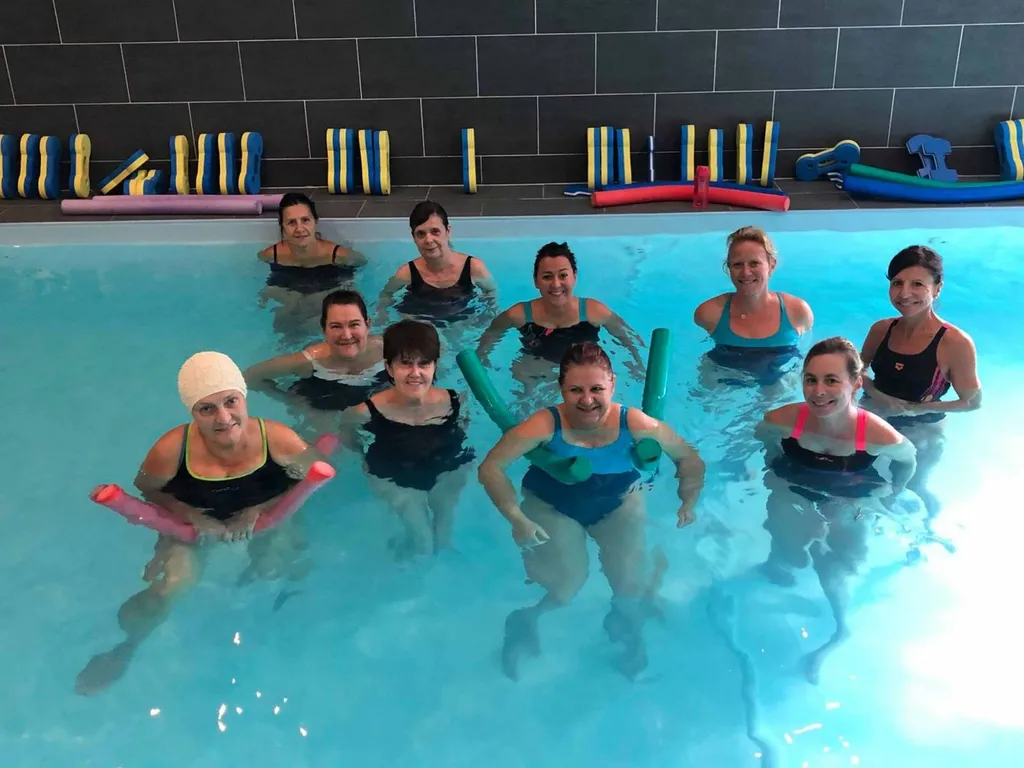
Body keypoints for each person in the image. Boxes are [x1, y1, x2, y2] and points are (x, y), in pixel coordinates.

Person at [75, 352, 327, 695]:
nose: (224, 418)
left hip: (264, 519)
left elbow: (311, 479)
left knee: (275, 565)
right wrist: (189, 514)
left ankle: (280, 638)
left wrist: (258, 510)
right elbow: (148, 487)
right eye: (207, 409)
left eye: (230, 401)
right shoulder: (171, 449)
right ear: (192, 413)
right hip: (194, 525)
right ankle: (127, 646)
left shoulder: (279, 440)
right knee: (171, 586)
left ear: (243, 397)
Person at [478, 342, 706, 680]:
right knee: (567, 586)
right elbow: (491, 467)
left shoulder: (636, 423)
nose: (587, 400)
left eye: (596, 389)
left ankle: (626, 628)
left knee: (629, 583)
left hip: (616, 500)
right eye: (576, 390)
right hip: (554, 502)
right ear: (561, 389)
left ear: (612, 384)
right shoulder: (544, 424)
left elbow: (688, 457)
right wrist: (516, 517)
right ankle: (527, 618)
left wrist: (688, 499)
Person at [755, 337, 918, 683]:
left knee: (840, 567)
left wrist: (892, 493)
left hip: (852, 495)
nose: (818, 391)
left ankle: (839, 631)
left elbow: (908, 461)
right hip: (797, 487)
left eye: (831, 380)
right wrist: (774, 478)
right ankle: (779, 573)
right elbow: (766, 445)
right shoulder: (783, 420)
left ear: (856, 384)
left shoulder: (877, 435)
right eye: (810, 379)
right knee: (786, 549)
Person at [858, 245, 981, 541]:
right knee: (860, 477)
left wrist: (915, 409)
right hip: (874, 415)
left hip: (923, 429)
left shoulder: (954, 343)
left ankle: (931, 526)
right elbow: (857, 371)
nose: (904, 293)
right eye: (897, 283)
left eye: (917, 285)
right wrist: (878, 394)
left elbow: (972, 402)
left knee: (911, 485)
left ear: (937, 289)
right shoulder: (881, 329)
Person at [338, 320, 475, 560]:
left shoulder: (456, 402)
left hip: (446, 465)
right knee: (422, 540)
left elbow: (462, 432)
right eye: (405, 363)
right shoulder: (364, 412)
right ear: (389, 368)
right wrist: (362, 459)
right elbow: (348, 436)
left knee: (443, 534)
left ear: (435, 366)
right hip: (393, 472)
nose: (415, 373)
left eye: (424, 363)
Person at [476, 241, 647, 396]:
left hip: (583, 376)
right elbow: (491, 334)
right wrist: (482, 361)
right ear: (536, 281)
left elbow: (628, 338)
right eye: (547, 277)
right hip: (537, 372)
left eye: (563, 275)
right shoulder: (519, 315)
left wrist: (638, 365)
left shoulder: (593, 312)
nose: (556, 284)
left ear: (574, 276)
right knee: (525, 380)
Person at [244, 290, 387, 438]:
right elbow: (251, 376)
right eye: (336, 326)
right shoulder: (310, 360)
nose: (346, 335)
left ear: (368, 324)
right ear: (323, 329)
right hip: (325, 403)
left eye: (354, 325)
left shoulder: (388, 350)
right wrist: (293, 401)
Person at [694, 226, 813, 386]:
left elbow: (807, 355)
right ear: (728, 268)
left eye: (754, 263)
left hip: (778, 377)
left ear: (771, 266)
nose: (746, 272)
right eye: (737, 264)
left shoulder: (797, 311)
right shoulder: (709, 314)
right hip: (722, 372)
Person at [258, 192, 367, 345]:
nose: (299, 228)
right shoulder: (270, 255)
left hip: (326, 288)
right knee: (281, 323)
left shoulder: (338, 255)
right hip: (290, 293)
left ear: (315, 222)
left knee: (317, 318)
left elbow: (361, 263)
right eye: (291, 223)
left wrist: (349, 283)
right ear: (282, 227)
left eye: (305, 220)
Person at [374, 201, 496, 328]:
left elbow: (491, 294)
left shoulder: (473, 268)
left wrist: (487, 317)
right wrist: (383, 316)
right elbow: (386, 295)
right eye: (421, 234)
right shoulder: (407, 273)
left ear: (448, 231)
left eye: (435, 231)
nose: (428, 240)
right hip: (419, 320)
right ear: (414, 238)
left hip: (460, 318)